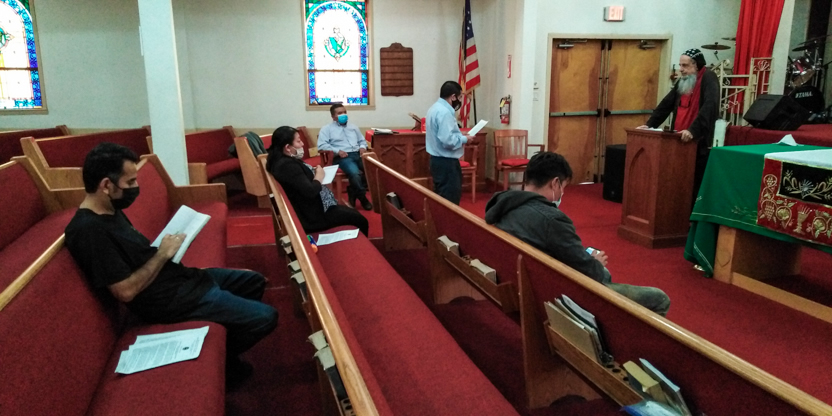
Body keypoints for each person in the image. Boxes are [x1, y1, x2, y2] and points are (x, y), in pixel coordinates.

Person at [65, 143, 278, 386]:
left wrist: (169, 255)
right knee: (265, 317)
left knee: (253, 281)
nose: (135, 187)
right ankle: (224, 362)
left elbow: (137, 256)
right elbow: (125, 291)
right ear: (106, 185)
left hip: (177, 279)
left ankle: (225, 329)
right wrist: (163, 254)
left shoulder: (110, 208)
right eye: (130, 182)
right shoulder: (89, 231)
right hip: (168, 300)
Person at [485, 152, 670, 316]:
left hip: (518, 281)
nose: (562, 193)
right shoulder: (553, 220)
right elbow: (590, 273)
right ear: (555, 183)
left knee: (603, 273)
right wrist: (596, 263)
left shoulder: (503, 205)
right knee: (659, 298)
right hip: (553, 297)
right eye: (563, 187)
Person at [638, 48, 719, 197]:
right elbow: (666, 104)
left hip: (697, 142)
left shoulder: (708, 77)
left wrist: (693, 130)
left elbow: (710, 106)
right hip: (678, 139)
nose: (681, 69)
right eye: (680, 65)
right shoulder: (683, 81)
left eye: (685, 65)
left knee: (693, 184)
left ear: (696, 65)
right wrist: (650, 125)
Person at [267, 125, 369, 236]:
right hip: (313, 216)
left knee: (354, 214)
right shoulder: (287, 166)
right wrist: (319, 176)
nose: (302, 144)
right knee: (361, 220)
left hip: (312, 208)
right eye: (298, 141)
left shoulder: (283, 160)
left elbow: (300, 181)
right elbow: (310, 191)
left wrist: (314, 173)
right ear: (287, 147)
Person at [426, 80, 476, 205]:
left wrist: (460, 135)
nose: (460, 101)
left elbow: (444, 134)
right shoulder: (445, 112)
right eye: (459, 97)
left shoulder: (434, 108)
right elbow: (447, 141)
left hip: (436, 160)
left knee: (440, 199)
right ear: (453, 97)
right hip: (446, 163)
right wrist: (465, 139)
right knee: (450, 200)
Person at [317, 103, 372, 210]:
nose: (343, 115)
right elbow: (322, 145)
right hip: (342, 157)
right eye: (339, 113)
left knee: (372, 169)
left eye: (344, 112)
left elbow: (362, 141)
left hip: (357, 154)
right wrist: (337, 151)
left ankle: (352, 190)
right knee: (355, 173)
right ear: (333, 117)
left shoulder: (353, 127)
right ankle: (363, 198)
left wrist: (362, 147)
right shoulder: (326, 129)